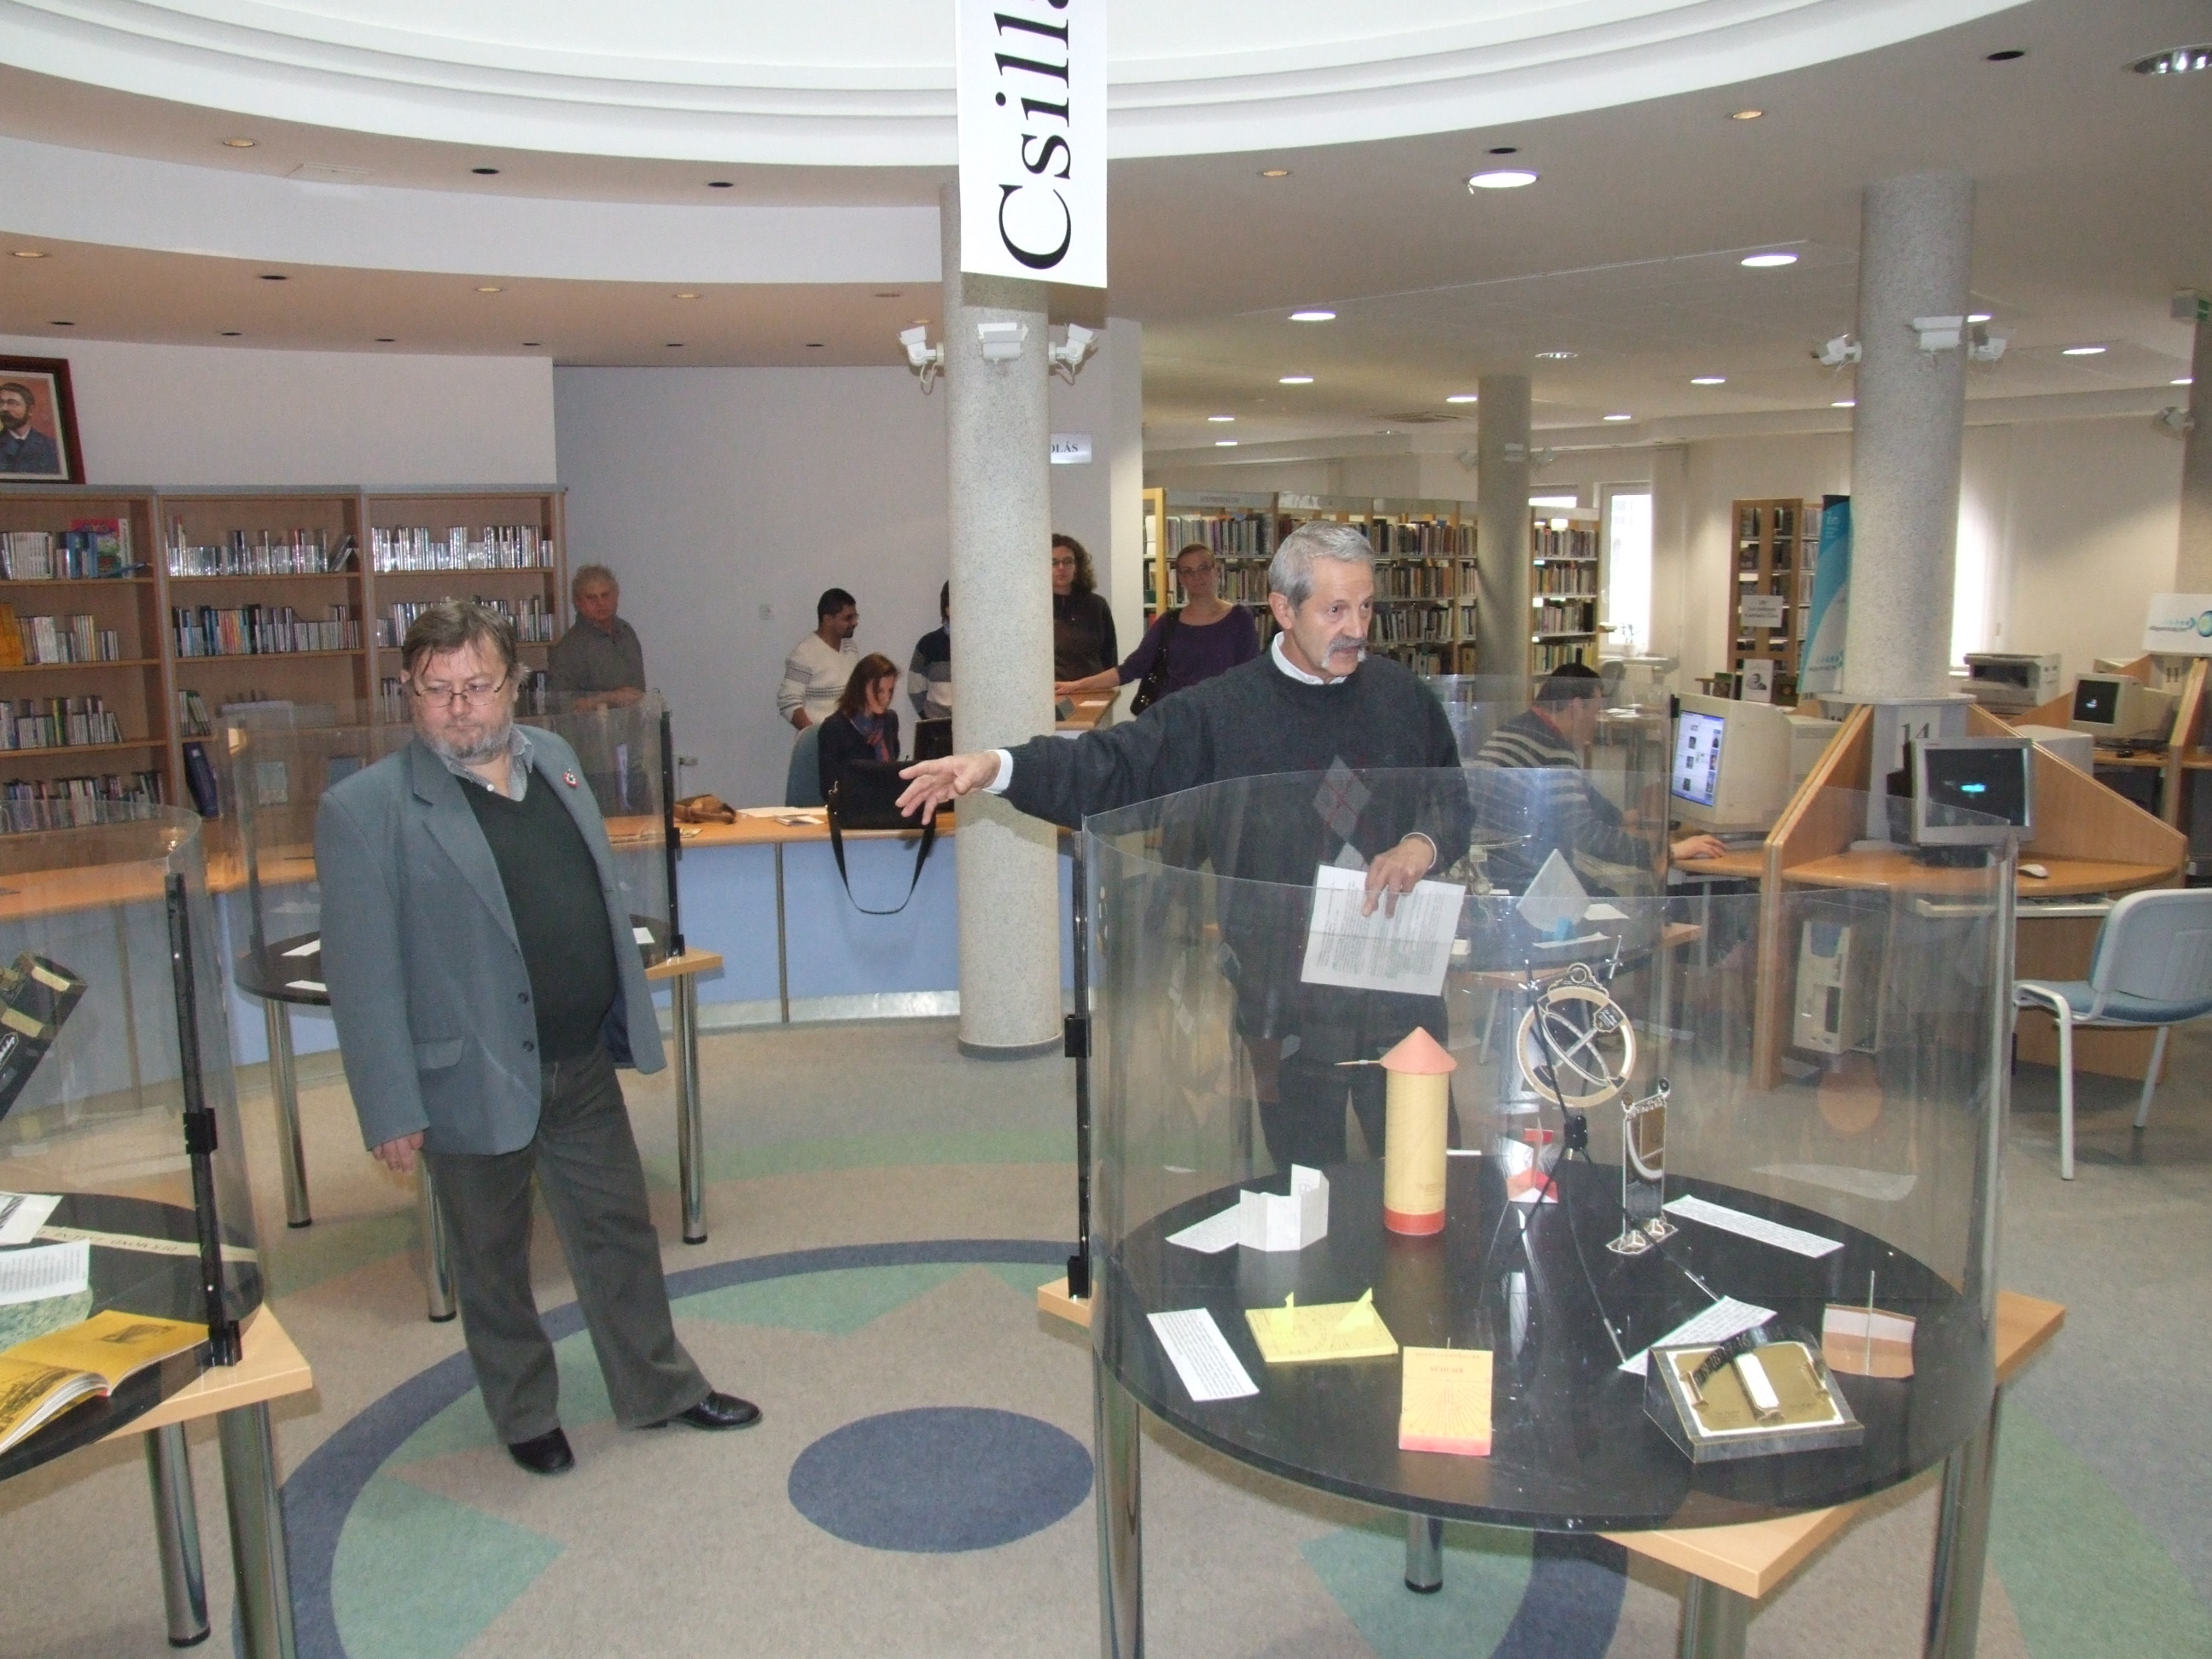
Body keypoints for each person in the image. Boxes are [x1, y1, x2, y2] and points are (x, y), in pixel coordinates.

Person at [317, 599, 760, 1477]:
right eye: (436, 689)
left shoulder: (554, 759)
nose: (459, 707)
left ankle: (658, 1386)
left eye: (477, 685)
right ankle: (524, 1412)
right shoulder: (366, 810)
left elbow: (593, 891)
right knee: (492, 1258)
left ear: (513, 685)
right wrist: (390, 1106)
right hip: (467, 1075)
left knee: (619, 1232)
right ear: (408, 692)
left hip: (578, 1059)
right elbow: (361, 976)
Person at [900, 521, 1468, 1169]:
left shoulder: (1402, 697)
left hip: (1396, 986)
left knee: (1427, 1182)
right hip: (1284, 999)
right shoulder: (1224, 710)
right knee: (1312, 1189)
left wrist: (1422, 844)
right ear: (1283, 609)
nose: (1357, 629)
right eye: (1335, 610)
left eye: (1365, 607)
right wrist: (998, 768)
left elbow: (1451, 801)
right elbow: (1114, 766)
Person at [1475, 662, 1726, 891]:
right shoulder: (1553, 750)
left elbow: (1578, 790)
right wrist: (1665, 851)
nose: (1596, 722)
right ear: (1576, 706)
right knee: (1613, 899)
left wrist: (1621, 817)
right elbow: (1587, 835)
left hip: (1492, 868)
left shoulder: (1518, 729)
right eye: (1596, 712)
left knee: (1599, 886)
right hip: (1520, 878)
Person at [1055, 542, 1259, 709]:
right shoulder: (1169, 622)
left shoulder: (1239, 618)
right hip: (1173, 718)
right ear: (1180, 578)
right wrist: (1077, 685)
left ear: (1216, 571)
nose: (1197, 577)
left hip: (1221, 717)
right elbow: (1130, 669)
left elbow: (1250, 675)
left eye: (1203, 568)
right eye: (1188, 571)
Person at [546, 564, 646, 710]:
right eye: (591, 598)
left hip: (634, 721)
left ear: (616, 596)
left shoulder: (627, 633)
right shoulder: (569, 647)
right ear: (578, 602)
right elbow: (559, 704)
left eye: (605, 595)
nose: (600, 603)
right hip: (594, 724)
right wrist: (608, 699)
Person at [818, 653, 904, 800]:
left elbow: (892, 769)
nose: (886, 698)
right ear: (860, 689)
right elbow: (829, 789)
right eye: (879, 691)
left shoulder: (890, 720)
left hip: (886, 803)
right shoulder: (834, 728)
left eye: (890, 690)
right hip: (853, 806)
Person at [779, 588, 859, 731]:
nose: (854, 623)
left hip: (848, 736)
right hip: (820, 739)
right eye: (848, 618)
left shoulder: (850, 647)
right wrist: (815, 735)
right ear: (828, 620)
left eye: (855, 617)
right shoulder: (805, 653)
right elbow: (788, 701)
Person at [1051, 534, 1118, 682]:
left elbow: (1109, 655)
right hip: (1052, 691)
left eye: (1067, 561)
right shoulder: (1035, 609)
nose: (1061, 568)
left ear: (1077, 566)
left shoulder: (1097, 605)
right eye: (1054, 562)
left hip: (1091, 689)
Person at [908, 582, 952, 719]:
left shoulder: (980, 647)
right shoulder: (928, 644)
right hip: (938, 725)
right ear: (948, 609)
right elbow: (914, 688)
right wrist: (928, 719)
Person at [0, 381, 61, 476]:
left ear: (30, 410)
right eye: (1, 402)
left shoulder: (52, 447)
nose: (4, 409)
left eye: (12, 403)